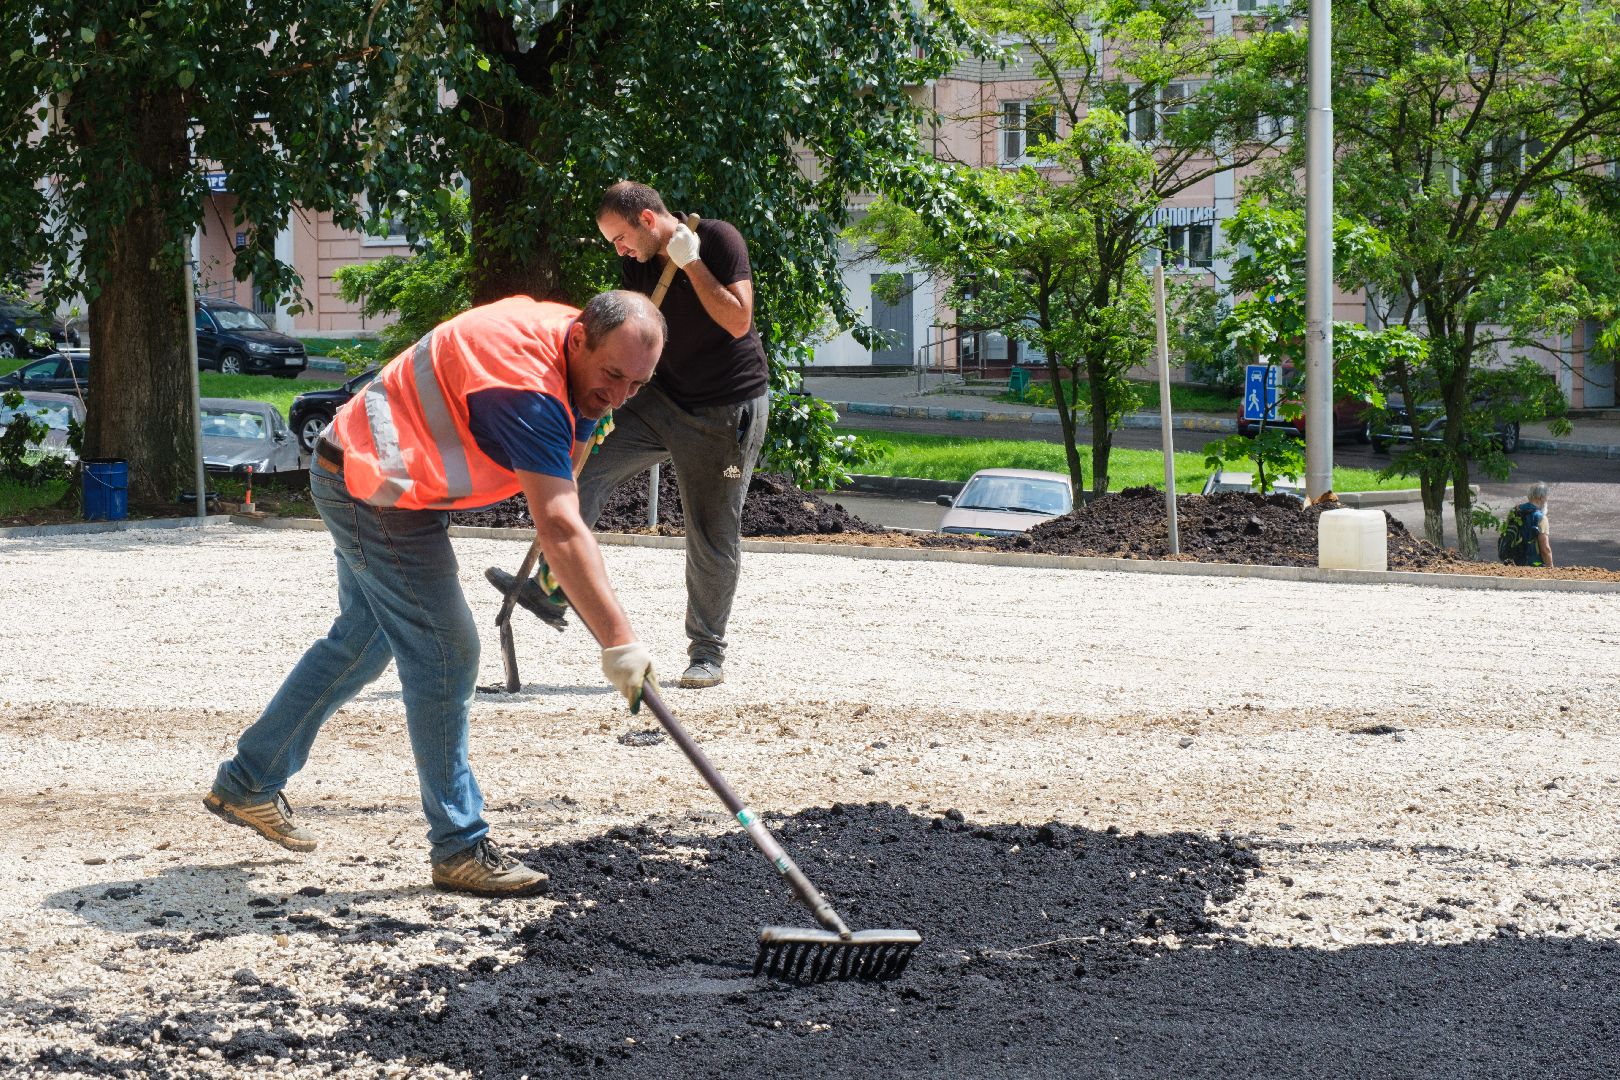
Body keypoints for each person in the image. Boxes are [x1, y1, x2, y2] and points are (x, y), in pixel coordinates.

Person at [204, 291, 665, 898]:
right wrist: (621, 645)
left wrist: (598, 405)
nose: (622, 396)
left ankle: (248, 779)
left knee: (361, 644)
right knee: (447, 652)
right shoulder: (522, 387)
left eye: (638, 383)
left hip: (382, 472)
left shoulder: (573, 348)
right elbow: (558, 524)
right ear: (579, 339)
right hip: (377, 488)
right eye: (613, 376)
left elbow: (573, 461)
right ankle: (459, 847)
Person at [578, 181, 770, 690]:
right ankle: (556, 583)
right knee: (580, 471)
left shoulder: (718, 240)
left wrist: (692, 264)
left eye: (619, 237)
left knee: (712, 529)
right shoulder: (638, 266)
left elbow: (737, 320)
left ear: (645, 219)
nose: (618, 249)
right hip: (662, 401)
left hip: (727, 415)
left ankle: (707, 653)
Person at [1501, 481, 1554, 568]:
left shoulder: (1515, 511)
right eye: (1546, 497)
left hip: (1512, 563)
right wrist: (1550, 567)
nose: (1547, 500)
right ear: (1541, 498)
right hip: (1534, 565)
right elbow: (1545, 549)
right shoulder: (1540, 518)